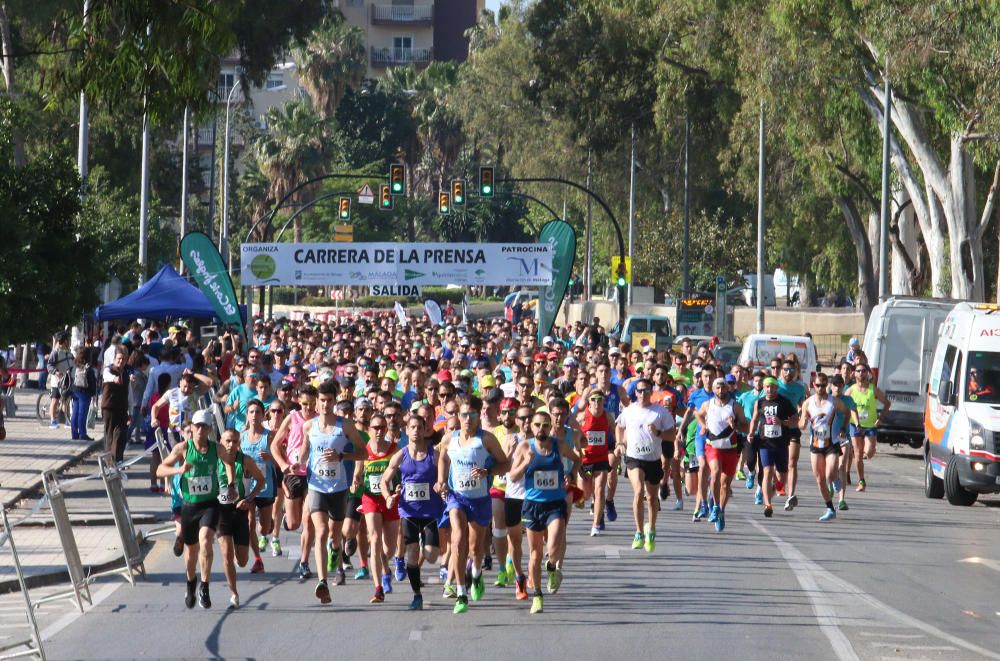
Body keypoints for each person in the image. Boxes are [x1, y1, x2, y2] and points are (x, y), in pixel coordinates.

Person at [435, 396, 509, 614]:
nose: (468, 419)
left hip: (479, 499)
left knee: (475, 549)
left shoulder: (487, 440)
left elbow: (505, 464)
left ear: (479, 416)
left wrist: (487, 472)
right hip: (456, 497)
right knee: (457, 540)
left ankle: (476, 574)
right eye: (464, 414)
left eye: (472, 415)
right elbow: (442, 458)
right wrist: (441, 480)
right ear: (458, 416)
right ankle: (460, 592)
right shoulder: (450, 439)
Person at [299, 381, 367, 603]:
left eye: (329, 400)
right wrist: (296, 463)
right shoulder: (309, 426)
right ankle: (322, 581)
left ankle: (336, 548)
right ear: (316, 403)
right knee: (320, 532)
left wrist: (343, 457)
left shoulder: (345, 426)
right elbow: (304, 451)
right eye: (322, 401)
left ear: (334, 401)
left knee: (334, 534)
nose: (325, 404)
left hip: (338, 487)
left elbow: (363, 453)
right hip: (316, 485)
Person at [508, 410, 580, 614]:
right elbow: (512, 477)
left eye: (545, 425)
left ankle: (552, 567)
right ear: (531, 426)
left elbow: (577, 459)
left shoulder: (559, 444)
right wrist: (525, 462)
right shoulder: (525, 447)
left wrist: (571, 475)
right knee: (535, 554)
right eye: (538, 425)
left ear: (550, 427)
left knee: (555, 544)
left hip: (555, 503)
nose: (541, 429)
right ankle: (537, 595)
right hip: (532, 505)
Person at [156, 409, 221, 609]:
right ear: (191, 428)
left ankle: (205, 585)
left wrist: (233, 484)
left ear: (210, 429)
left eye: (204, 426)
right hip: (189, 506)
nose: (200, 430)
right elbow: (160, 470)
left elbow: (232, 462)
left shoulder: (216, 449)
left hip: (210, 504)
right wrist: (179, 469)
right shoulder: (183, 448)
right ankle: (191, 582)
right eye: (197, 426)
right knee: (191, 553)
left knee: (206, 542)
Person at [379, 415, 443, 610]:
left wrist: (441, 485)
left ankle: (426, 542)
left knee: (431, 556)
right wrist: (388, 496)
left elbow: (443, 477)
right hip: (408, 512)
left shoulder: (435, 455)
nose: (415, 430)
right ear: (406, 430)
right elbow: (384, 480)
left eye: (419, 427)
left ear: (425, 430)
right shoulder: (401, 455)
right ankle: (417, 595)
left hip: (430, 512)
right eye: (412, 427)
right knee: (412, 553)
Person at [616, 378, 675, 552]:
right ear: (635, 392)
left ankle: (652, 530)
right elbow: (619, 426)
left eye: (646, 391)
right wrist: (620, 443)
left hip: (653, 459)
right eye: (640, 391)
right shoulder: (629, 410)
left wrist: (657, 432)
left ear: (651, 392)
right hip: (634, 458)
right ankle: (639, 532)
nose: (643, 394)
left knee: (651, 498)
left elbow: (672, 435)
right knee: (639, 491)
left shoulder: (660, 412)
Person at [352, 412, 400, 603]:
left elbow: (403, 475)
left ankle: (386, 568)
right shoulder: (364, 451)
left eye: (382, 427)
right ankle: (378, 588)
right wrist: (355, 482)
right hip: (371, 498)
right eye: (375, 428)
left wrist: (398, 488)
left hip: (390, 500)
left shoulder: (396, 450)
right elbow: (358, 474)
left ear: (386, 429)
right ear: (369, 430)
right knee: (374, 539)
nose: (379, 431)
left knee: (388, 549)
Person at [215, 429, 265, 609]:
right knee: (226, 554)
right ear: (221, 442)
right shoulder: (215, 461)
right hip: (221, 513)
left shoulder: (245, 461)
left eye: (235, 442)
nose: (231, 445)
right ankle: (234, 594)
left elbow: (261, 480)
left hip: (239, 511)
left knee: (242, 561)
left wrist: (249, 498)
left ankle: (239, 558)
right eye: (228, 441)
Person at [694, 377, 748, 532]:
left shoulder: (735, 406)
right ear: (713, 389)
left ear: (728, 389)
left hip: (731, 448)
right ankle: (715, 506)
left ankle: (721, 511)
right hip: (713, 446)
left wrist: (735, 424)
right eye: (717, 387)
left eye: (723, 387)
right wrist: (703, 425)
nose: (720, 390)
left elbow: (746, 427)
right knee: (716, 472)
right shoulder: (708, 404)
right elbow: (697, 414)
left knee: (725, 484)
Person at [801, 373, 850, 521]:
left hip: (832, 443)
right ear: (813, 385)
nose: (821, 388)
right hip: (816, 444)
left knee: (829, 474)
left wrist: (843, 427)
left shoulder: (833, 402)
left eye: (823, 385)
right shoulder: (808, 403)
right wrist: (803, 422)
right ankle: (830, 508)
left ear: (827, 385)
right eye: (818, 385)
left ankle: (834, 479)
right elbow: (801, 424)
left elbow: (847, 413)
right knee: (819, 478)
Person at [748, 377, 798, 517]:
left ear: (777, 388)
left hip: (781, 443)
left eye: (772, 387)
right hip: (765, 442)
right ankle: (767, 504)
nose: (769, 389)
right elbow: (755, 419)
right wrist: (751, 433)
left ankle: (771, 491)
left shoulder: (784, 402)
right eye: (767, 387)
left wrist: (782, 422)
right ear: (764, 388)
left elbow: (796, 419)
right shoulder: (760, 402)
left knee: (782, 478)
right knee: (768, 471)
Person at [239, 400, 276, 573]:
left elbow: (281, 460)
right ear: (247, 415)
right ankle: (258, 559)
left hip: (266, 486)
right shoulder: (241, 437)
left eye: (258, 412)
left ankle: (269, 524)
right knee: (249, 523)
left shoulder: (270, 436)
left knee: (264, 528)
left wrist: (270, 457)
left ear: (263, 415)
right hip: (248, 486)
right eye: (251, 412)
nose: (254, 415)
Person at [846, 364, 890, 492]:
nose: (861, 373)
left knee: (869, 452)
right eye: (858, 371)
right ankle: (861, 481)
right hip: (855, 425)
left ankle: (860, 453)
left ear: (867, 373)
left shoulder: (873, 389)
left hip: (870, 425)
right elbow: (843, 406)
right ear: (854, 374)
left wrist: (880, 419)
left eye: (863, 371)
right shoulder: (850, 391)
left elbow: (887, 403)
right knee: (859, 455)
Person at [577, 390, 613, 536]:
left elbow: (617, 431)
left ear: (603, 401)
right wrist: (577, 451)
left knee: (599, 491)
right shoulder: (582, 417)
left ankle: (596, 525)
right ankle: (591, 499)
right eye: (593, 399)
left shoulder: (607, 416)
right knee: (584, 495)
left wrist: (618, 446)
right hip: (585, 460)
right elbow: (575, 435)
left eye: (600, 399)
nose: (597, 402)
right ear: (589, 401)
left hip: (601, 459)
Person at [101, 348, 130, 463]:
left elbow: (129, 393)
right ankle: (110, 462)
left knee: (121, 433)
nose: (121, 361)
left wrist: (130, 411)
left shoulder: (126, 374)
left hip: (122, 408)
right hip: (109, 407)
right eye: (119, 359)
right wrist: (114, 378)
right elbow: (106, 375)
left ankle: (118, 459)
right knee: (110, 435)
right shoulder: (109, 370)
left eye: (123, 359)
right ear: (114, 359)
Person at [69, 348, 97, 441]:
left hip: (74, 391)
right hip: (85, 392)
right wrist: (93, 394)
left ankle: (74, 433)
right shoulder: (88, 368)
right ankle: (82, 434)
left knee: (75, 413)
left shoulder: (74, 366)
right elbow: (92, 382)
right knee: (82, 414)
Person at [46, 333, 73, 428]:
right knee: (55, 400)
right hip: (57, 381)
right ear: (64, 341)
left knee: (66, 401)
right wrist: (56, 372)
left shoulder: (68, 352)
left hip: (67, 381)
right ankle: (53, 421)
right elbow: (49, 365)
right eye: (68, 339)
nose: (69, 341)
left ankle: (67, 420)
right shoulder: (55, 352)